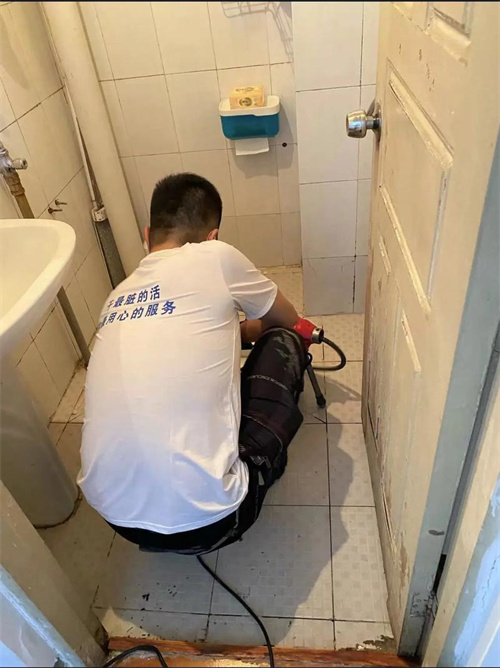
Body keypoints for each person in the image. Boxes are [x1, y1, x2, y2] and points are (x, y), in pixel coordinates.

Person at [78, 173, 308, 554]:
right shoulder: (216, 257)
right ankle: (264, 468)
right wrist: (254, 329)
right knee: (285, 340)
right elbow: (286, 318)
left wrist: (234, 331)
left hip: (117, 520)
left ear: (147, 235)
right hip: (214, 521)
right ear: (213, 237)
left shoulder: (117, 295)